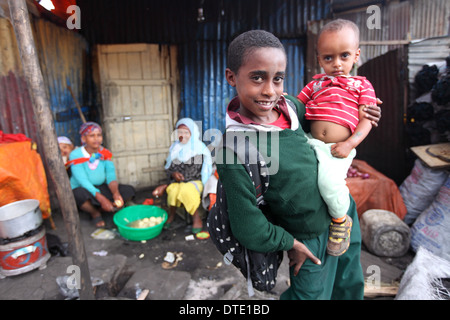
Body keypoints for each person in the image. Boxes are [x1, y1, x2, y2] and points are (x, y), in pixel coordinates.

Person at [218, 29, 380, 299]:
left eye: (278, 78)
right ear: (231, 77)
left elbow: (331, 120)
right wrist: (289, 242)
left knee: (348, 282)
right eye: (257, 78)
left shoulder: (291, 107)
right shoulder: (233, 149)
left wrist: (365, 112)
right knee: (310, 296)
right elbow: (248, 226)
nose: (270, 91)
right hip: (309, 235)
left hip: (342, 212)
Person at [297, 19, 378, 256]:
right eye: (328, 58)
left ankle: (341, 220)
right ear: (319, 58)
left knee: (328, 183)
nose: (337, 64)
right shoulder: (315, 84)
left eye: (344, 55)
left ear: (356, 55)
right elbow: (297, 107)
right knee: (298, 178)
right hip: (310, 142)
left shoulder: (361, 85)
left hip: (337, 148)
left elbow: (367, 120)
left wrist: (350, 143)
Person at [68, 122, 135, 227]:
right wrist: (102, 198)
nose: (96, 139)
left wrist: (116, 193)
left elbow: (110, 176)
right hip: (83, 189)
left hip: (100, 187)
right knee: (77, 194)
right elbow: (83, 181)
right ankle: (95, 213)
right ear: (84, 139)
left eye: (99, 135)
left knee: (128, 190)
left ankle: (104, 207)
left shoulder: (105, 153)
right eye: (92, 136)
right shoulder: (75, 155)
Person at [152, 118, 213, 234]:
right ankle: (172, 215)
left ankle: (196, 218)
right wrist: (173, 174)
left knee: (186, 189)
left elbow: (193, 172)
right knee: (173, 189)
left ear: (192, 133)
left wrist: (177, 177)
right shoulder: (175, 148)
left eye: (186, 132)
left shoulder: (199, 149)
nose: (182, 135)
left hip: (196, 181)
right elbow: (169, 168)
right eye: (179, 132)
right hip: (179, 181)